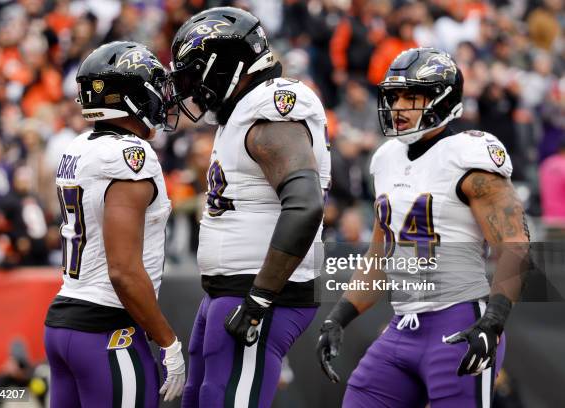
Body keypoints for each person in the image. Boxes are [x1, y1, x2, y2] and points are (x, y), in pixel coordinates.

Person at [316, 48, 530, 407]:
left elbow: (515, 244)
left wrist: (492, 321)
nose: (398, 107)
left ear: (441, 99)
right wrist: (338, 316)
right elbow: (381, 256)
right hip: (402, 326)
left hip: (459, 322)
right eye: (394, 96)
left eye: (411, 97)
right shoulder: (386, 158)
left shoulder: (468, 155)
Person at [168, 7, 331, 408]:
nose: (192, 89)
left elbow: (305, 205)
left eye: (195, 75)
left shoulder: (271, 111)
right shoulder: (240, 113)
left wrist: (260, 298)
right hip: (230, 289)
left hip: (257, 293)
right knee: (203, 398)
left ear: (226, 67)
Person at [43, 41, 185, 408]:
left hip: (64, 321)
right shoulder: (128, 156)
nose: (162, 97)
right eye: (154, 86)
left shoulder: (78, 146)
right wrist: (168, 341)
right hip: (106, 327)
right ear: (133, 94)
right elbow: (122, 270)